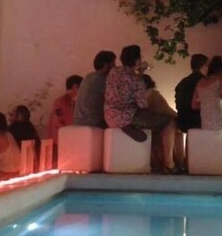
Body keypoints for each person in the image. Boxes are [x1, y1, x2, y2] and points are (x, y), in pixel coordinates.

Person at [104, 45, 178, 173]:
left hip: (110, 116)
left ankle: (134, 132)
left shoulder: (113, 72)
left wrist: (140, 71)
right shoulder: (136, 81)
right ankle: (169, 163)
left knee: (153, 121)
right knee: (168, 121)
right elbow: (143, 104)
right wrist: (140, 74)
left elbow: (127, 78)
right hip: (128, 116)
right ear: (137, 60)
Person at [142, 74, 185, 172]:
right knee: (173, 126)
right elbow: (166, 110)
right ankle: (175, 162)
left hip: (150, 121)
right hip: (153, 122)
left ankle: (171, 162)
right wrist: (178, 117)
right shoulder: (152, 94)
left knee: (174, 127)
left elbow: (163, 109)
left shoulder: (149, 94)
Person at [47, 74, 83, 166]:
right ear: (75, 87)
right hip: (60, 142)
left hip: (64, 141)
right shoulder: (63, 102)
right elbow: (59, 122)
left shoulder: (68, 101)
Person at [74, 51, 117, 127]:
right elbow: (116, 99)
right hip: (94, 122)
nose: (115, 67)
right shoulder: (104, 79)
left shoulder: (88, 76)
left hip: (78, 121)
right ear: (106, 65)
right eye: (113, 63)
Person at [175, 54, 209, 133]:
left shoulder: (183, 82)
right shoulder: (205, 82)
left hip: (183, 122)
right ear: (203, 66)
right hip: (199, 121)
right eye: (207, 65)